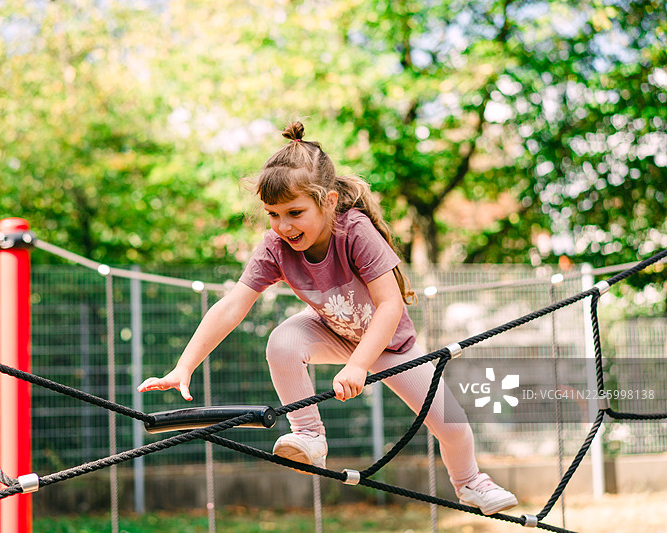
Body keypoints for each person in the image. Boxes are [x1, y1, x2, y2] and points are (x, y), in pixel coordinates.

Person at [138, 121, 518, 515]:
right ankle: (308, 435)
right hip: (331, 332)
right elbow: (233, 305)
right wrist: (184, 366)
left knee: (452, 424)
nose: (284, 225)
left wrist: (359, 365)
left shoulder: (355, 231)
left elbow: (390, 306)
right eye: (273, 214)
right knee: (283, 342)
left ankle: (471, 482)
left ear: (329, 201)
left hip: (389, 344)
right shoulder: (275, 247)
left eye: (295, 212)